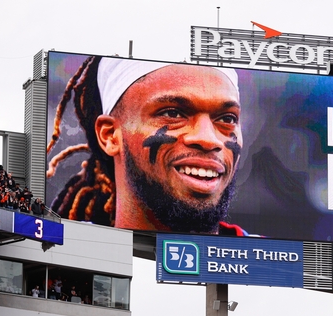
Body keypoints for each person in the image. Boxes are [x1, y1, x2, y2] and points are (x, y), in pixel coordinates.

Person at [47, 56, 250, 235]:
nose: (208, 139)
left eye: (227, 118)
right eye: (173, 114)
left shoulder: (275, 267)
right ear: (109, 135)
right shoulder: (65, 264)